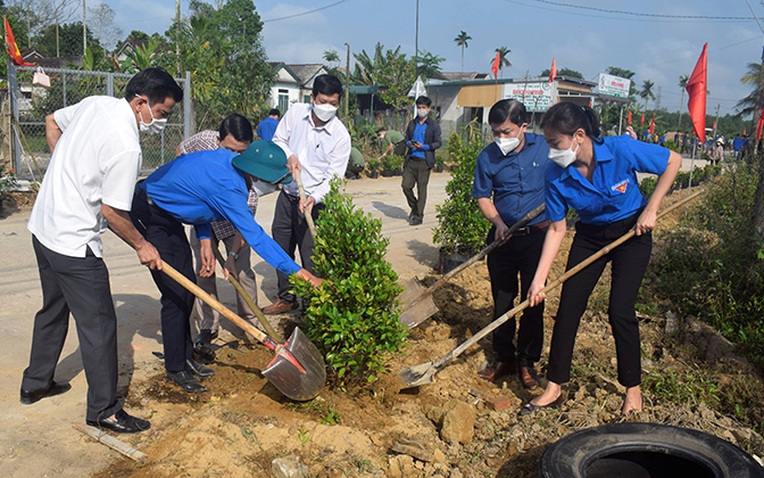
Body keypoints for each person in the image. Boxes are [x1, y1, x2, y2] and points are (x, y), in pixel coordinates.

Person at [22, 67, 183, 434]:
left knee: (53, 307)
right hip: (74, 243)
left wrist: (66, 177)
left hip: (43, 226)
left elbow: (52, 121)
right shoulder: (127, 145)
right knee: (99, 324)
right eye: (162, 113)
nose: (162, 120)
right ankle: (105, 410)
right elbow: (112, 213)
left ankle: (35, 382)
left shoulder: (96, 104)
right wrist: (143, 245)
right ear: (141, 103)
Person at [521, 103, 681, 416]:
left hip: (631, 232)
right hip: (591, 236)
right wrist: (539, 279)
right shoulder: (556, 175)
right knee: (568, 309)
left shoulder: (621, 150)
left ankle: (632, 390)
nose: (551, 151)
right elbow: (556, 229)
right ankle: (554, 386)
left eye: (555, 143)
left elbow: (673, 161)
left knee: (620, 310)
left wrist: (652, 208)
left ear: (578, 136)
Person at [129, 141, 323, 393]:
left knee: (188, 290)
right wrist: (302, 273)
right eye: (274, 181)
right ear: (259, 175)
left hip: (168, 213)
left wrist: (205, 239)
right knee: (176, 293)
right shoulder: (230, 187)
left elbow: (195, 193)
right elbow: (257, 238)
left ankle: (186, 358)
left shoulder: (226, 161)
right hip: (150, 212)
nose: (274, 186)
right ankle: (176, 368)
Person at [472, 99, 550, 390]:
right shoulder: (487, 157)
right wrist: (498, 222)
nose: (501, 139)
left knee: (533, 301)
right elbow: (482, 195)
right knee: (502, 300)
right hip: (503, 240)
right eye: (496, 132)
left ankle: (526, 362)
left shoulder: (546, 149)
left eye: (507, 131)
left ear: (523, 127)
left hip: (537, 238)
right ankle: (503, 357)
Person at [262, 74, 351, 315]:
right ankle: (287, 297)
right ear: (312, 98)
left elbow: (333, 177)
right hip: (288, 195)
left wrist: (314, 198)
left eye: (334, 103)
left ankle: (312, 305)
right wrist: (289, 155)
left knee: (311, 255)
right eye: (323, 101)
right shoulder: (295, 114)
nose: (328, 108)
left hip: (314, 204)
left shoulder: (340, 136)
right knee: (281, 248)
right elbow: (279, 140)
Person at [176, 114, 263, 348]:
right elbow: (180, 152)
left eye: (240, 153)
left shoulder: (249, 193)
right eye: (228, 150)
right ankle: (208, 325)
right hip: (201, 216)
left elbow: (244, 231)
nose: (232, 158)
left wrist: (232, 257)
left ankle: (251, 323)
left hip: (229, 224)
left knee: (242, 271)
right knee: (204, 270)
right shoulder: (204, 140)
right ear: (218, 139)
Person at [402, 95, 442, 226]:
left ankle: (418, 216)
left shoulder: (433, 126)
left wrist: (424, 146)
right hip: (411, 159)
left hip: (425, 161)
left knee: (421, 189)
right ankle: (415, 207)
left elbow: (438, 143)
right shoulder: (412, 124)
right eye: (419, 107)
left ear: (429, 109)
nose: (421, 110)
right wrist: (409, 144)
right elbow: (406, 138)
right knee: (406, 186)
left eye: (423, 107)